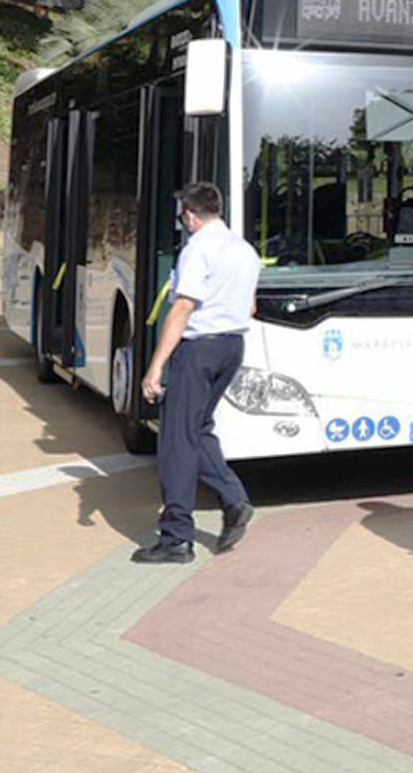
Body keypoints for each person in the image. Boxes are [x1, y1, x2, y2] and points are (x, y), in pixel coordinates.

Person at [133, 183, 260, 563]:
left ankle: (176, 538)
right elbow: (249, 307)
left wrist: (155, 367)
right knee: (198, 428)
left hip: (199, 349)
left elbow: (184, 306)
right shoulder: (244, 250)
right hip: (231, 347)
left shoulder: (198, 249)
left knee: (175, 440)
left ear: (189, 215)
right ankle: (234, 500)